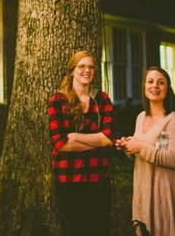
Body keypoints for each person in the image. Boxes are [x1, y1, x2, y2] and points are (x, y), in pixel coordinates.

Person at [48, 51, 115, 236]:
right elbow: (60, 143)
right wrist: (98, 140)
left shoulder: (101, 99)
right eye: (82, 66)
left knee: (99, 228)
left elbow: (109, 138)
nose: (87, 70)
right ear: (71, 71)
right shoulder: (58, 100)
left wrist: (75, 136)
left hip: (98, 176)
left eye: (91, 66)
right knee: (77, 229)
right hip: (69, 177)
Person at [116, 68, 175, 236]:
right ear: (144, 87)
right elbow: (142, 151)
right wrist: (128, 147)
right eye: (150, 81)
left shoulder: (173, 120)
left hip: (164, 197)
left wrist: (140, 147)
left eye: (160, 82)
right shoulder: (140, 117)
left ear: (167, 89)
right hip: (144, 193)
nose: (155, 86)